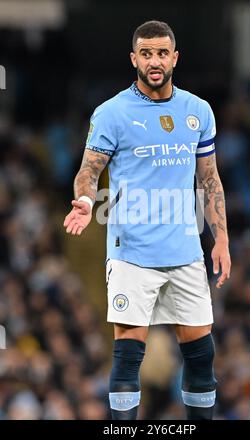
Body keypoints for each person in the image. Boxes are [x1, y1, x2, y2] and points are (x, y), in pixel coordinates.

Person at [63, 20, 231, 420]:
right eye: (146, 53)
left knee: (201, 355)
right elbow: (88, 171)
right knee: (127, 356)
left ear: (174, 58)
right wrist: (85, 200)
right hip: (131, 253)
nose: (154, 61)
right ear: (133, 58)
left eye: (161, 53)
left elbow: (209, 179)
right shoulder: (111, 113)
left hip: (185, 250)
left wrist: (221, 239)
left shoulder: (198, 111)